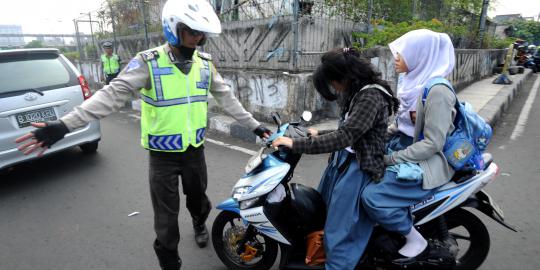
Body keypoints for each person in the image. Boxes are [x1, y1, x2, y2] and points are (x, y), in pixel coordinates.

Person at [14, 0, 271, 269]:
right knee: (166, 220)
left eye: (202, 33)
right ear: (175, 28)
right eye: (194, 32)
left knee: (199, 200)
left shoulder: (205, 65)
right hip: (163, 158)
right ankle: (169, 259)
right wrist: (64, 125)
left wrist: (255, 126)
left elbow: (228, 99)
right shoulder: (148, 63)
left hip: (195, 151)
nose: (200, 38)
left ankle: (198, 222)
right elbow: (110, 95)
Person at [272, 47, 399, 270]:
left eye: (333, 83)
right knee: (322, 213)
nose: (334, 89)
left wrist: (295, 143)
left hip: (359, 170)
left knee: (339, 229)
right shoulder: (357, 91)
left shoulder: (371, 96)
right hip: (342, 164)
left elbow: (346, 136)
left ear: (345, 77)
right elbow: (350, 129)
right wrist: (317, 133)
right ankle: (318, 254)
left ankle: (337, 266)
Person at [361, 29, 457, 264]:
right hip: (404, 146)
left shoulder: (438, 91)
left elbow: (433, 143)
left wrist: (391, 159)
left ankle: (415, 239)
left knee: (373, 197)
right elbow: (402, 125)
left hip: (425, 159)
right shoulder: (411, 81)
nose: (395, 58)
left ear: (420, 55)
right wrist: (376, 136)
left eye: (401, 53)